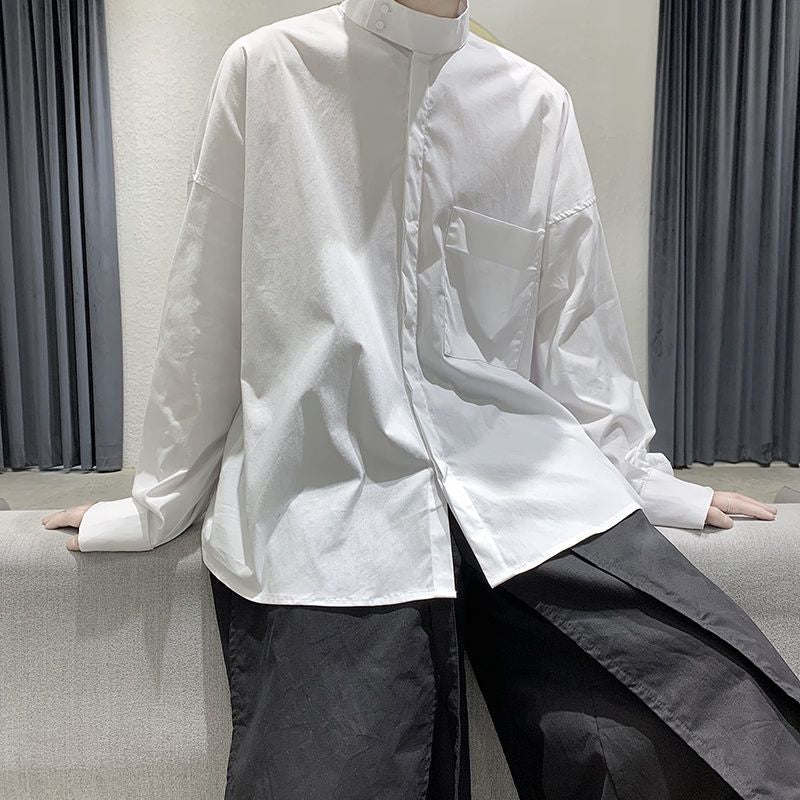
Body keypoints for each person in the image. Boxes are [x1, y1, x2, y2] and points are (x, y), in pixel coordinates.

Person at [42, 0, 800, 797]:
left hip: (529, 500)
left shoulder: (534, 104)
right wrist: (157, 502)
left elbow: (576, 330)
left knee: (733, 743)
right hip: (330, 512)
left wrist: (646, 481)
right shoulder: (269, 70)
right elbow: (207, 304)